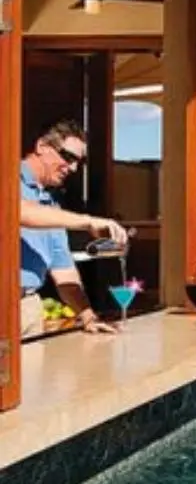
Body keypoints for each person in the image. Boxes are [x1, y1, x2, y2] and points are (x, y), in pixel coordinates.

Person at [19, 119, 122, 336]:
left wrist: (88, 317)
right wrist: (88, 221)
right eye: (68, 157)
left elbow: (63, 270)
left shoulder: (51, 205)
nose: (73, 167)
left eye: (78, 162)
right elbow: (18, 212)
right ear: (41, 147)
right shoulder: (8, 180)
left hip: (28, 307)